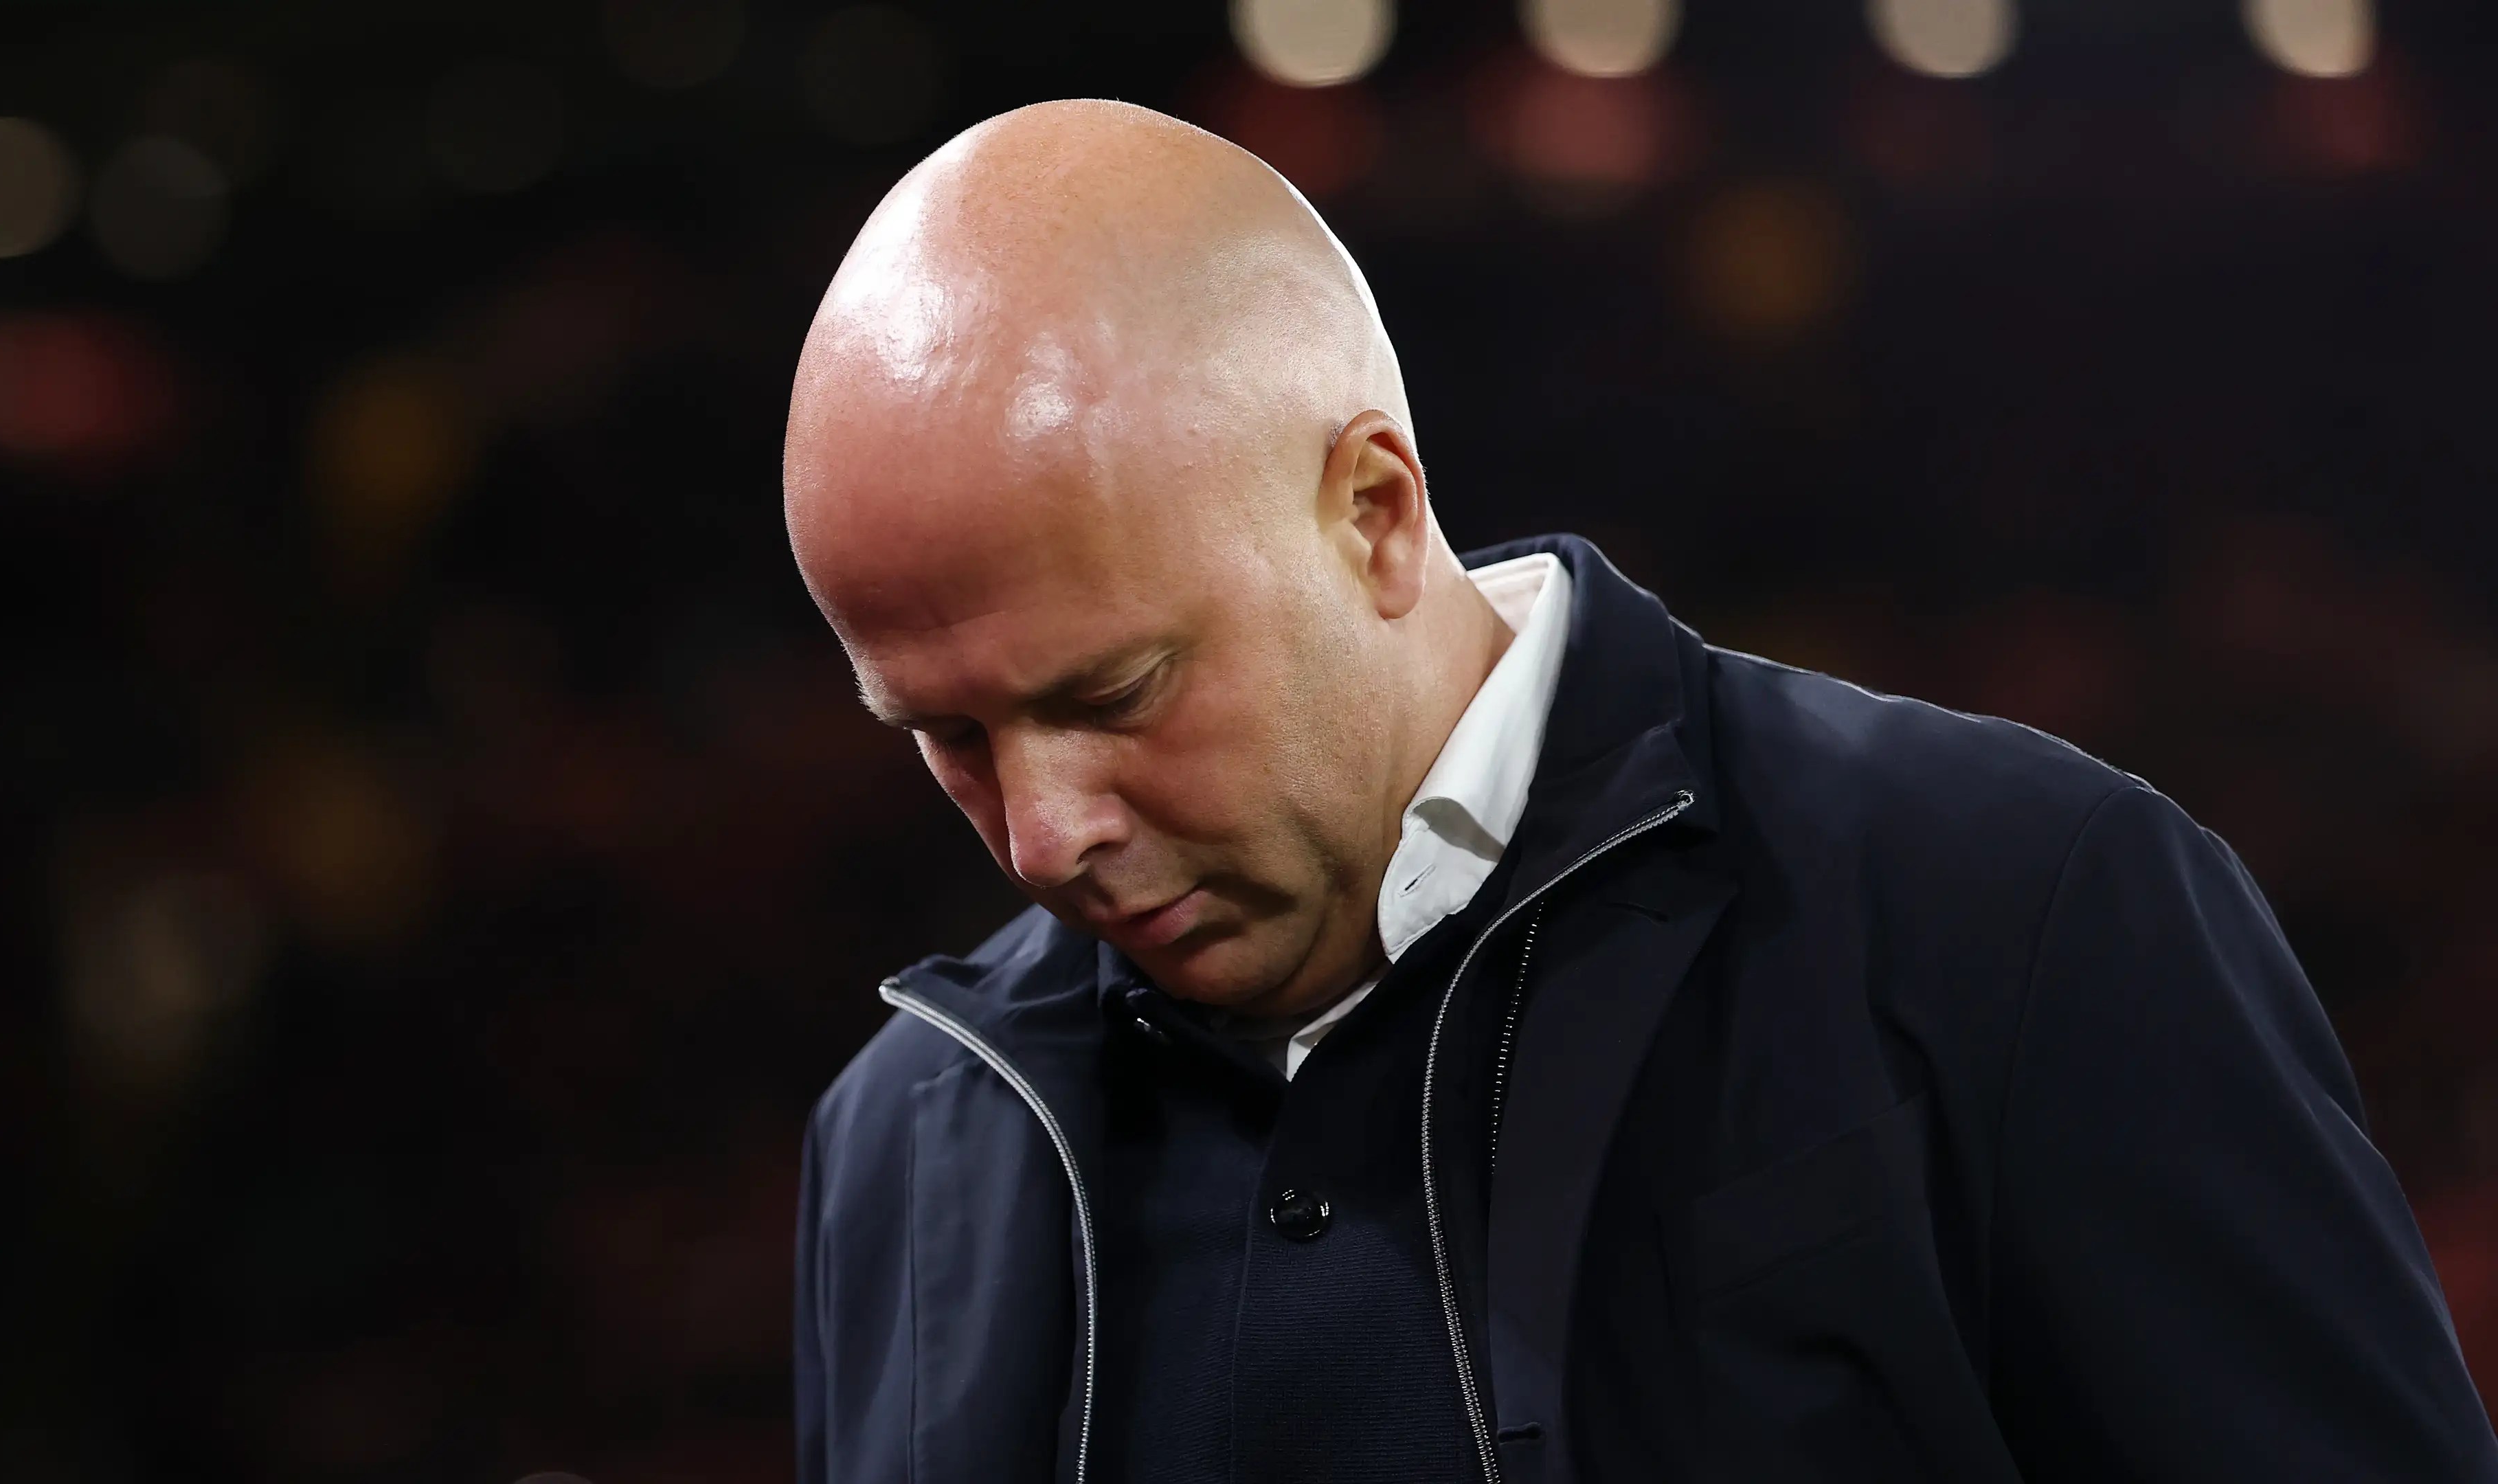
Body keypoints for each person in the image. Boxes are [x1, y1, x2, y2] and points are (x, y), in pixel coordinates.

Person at [783, 99, 2498, 1484]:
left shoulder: (2024, 917)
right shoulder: (903, 1148)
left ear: (1373, 512)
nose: (1042, 835)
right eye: (945, 736)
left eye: (1117, 694)